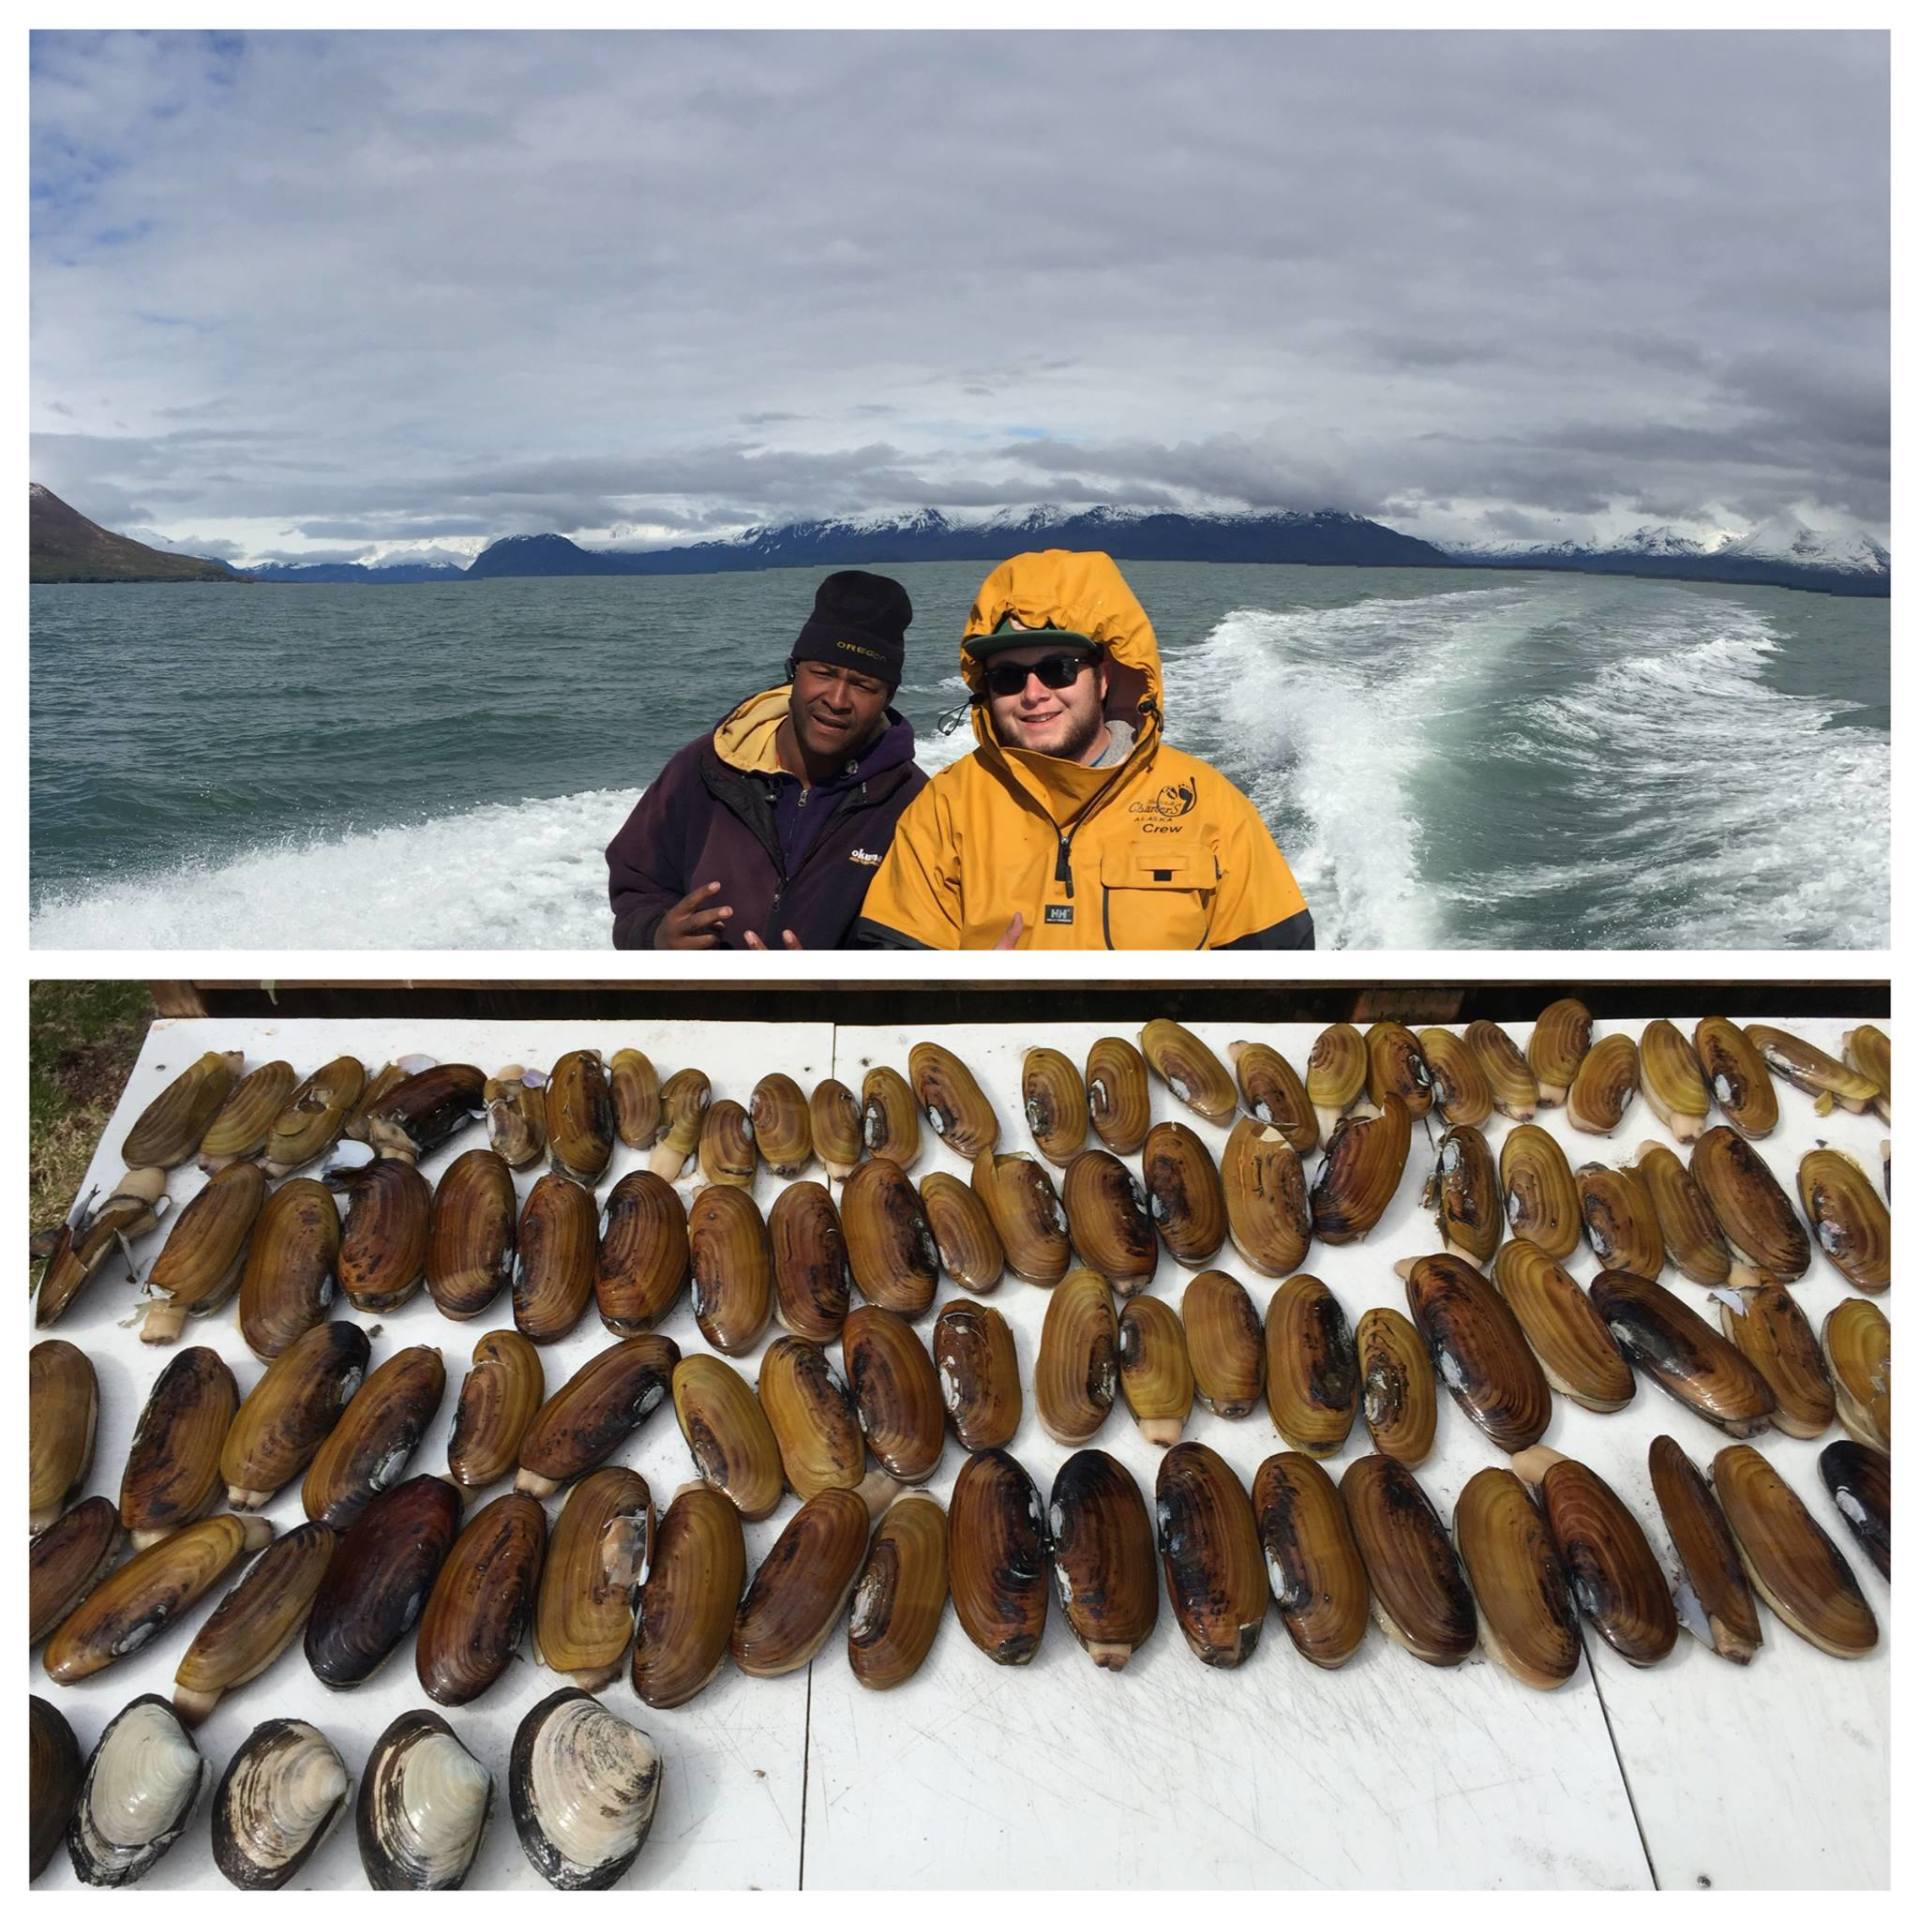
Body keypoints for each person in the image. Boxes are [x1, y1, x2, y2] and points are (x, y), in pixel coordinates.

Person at [854, 549, 1313, 949]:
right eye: (1008, 677)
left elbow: (1277, 975)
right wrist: (965, 988)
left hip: (1160, 1052)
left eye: (1059, 669)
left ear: (1105, 676)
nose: (1033, 694)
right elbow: (897, 967)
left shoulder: (1208, 805)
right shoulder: (946, 807)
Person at [605, 570, 926, 949]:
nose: (837, 700)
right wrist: (656, 935)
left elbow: (912, 945)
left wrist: (832, 986)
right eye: (823, 673)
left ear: (887, 697)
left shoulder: (914, 803)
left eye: (863, 685)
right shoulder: (706, 767)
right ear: (794, 672)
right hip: (698, 1005)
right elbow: (636, 886)